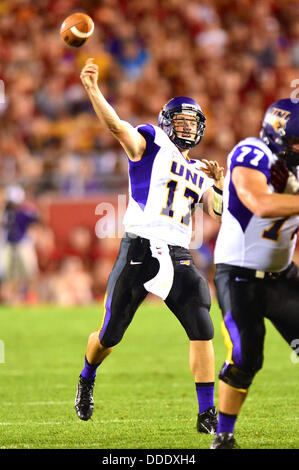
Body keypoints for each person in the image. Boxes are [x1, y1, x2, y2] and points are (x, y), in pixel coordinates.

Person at [74, 58, 225, 435]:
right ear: (166, 123)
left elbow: (218, 211)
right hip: (139, 248)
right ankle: (87, 375)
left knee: (202, 325)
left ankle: (207, 414)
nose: (187, 127)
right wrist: (93, 89)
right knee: (110, 334)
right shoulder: (151, 142)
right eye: (181, 121)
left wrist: (219, 183)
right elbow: (115, 126)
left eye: (193, 122)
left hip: (178, 252)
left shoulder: (200, 173)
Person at [211, 98, 299, 449]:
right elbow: (260, 203)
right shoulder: (253, 151)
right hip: (239, 276)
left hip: (282, 275)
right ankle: (224, 436)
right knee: (247, 355)